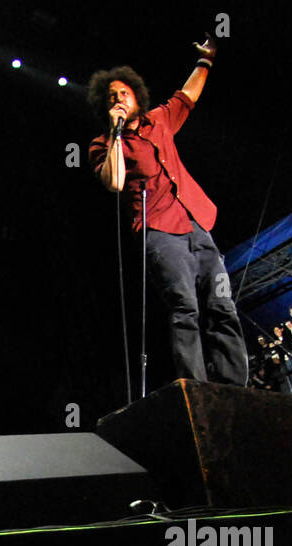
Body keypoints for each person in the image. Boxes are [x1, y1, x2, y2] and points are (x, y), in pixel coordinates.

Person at [87, 34, 248, 387]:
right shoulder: (102, 144)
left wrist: (206, 60)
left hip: (197, 221)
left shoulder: (159, 120)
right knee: (185, 308)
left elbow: (187, 96)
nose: (119, 99)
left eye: (124, 93)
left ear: (136, 96)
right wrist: (115, 134)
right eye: (112, 96)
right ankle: (199, 390)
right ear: (105, 104)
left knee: (222, 305)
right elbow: (113, 182)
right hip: (159, 233)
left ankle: (236, 388)